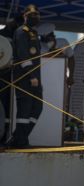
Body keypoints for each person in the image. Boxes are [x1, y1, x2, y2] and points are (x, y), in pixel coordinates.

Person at [7, 4, 43, 148]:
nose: (35, 17)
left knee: (37, 108)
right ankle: (20, 141)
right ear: (25, 16)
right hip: (25, 78)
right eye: (32, 15)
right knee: (25, 110)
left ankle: (18, 138)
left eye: (37, 15)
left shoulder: (33, 33)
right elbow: (23, 56)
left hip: (35, 78)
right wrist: (31, 76)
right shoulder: (21, 32)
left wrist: (36, 77)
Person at [0, 14, 23, 145]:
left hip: (12, 75)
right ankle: (3, 136)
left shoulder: (18, 34)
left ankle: (7, 135)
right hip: (2, 75)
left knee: (9, 106)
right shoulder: (2, 34)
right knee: (3, 105)